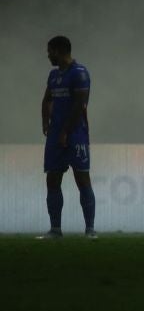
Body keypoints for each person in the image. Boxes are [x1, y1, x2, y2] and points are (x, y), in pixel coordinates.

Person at [39, 36, 97, 239]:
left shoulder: (79, 73)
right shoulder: (53, 76)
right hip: (55, 134)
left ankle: (90, 229)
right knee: (52, 179)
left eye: (50, 51)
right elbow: (47, 99)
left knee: (82, 179)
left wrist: (65, 131)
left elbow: (79, 106)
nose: (48, 55)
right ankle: (55, 229)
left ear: (59, 50)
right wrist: (46, 121)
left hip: (76, 134)